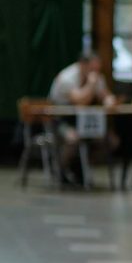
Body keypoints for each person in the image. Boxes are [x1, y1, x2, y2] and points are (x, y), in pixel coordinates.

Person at [47, 48, 119, 184]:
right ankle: (60, 170)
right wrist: (91, 84)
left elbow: (106, 96)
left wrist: (109, 100)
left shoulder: (96, 77)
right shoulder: (66, 78)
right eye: (93, 68)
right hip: (61, 121)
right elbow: (80, 100)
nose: (96, 72)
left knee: (110, 141)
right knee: (73, 139)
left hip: (84, 120)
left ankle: (79, 167)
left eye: (98, 69)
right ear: (82, 64)